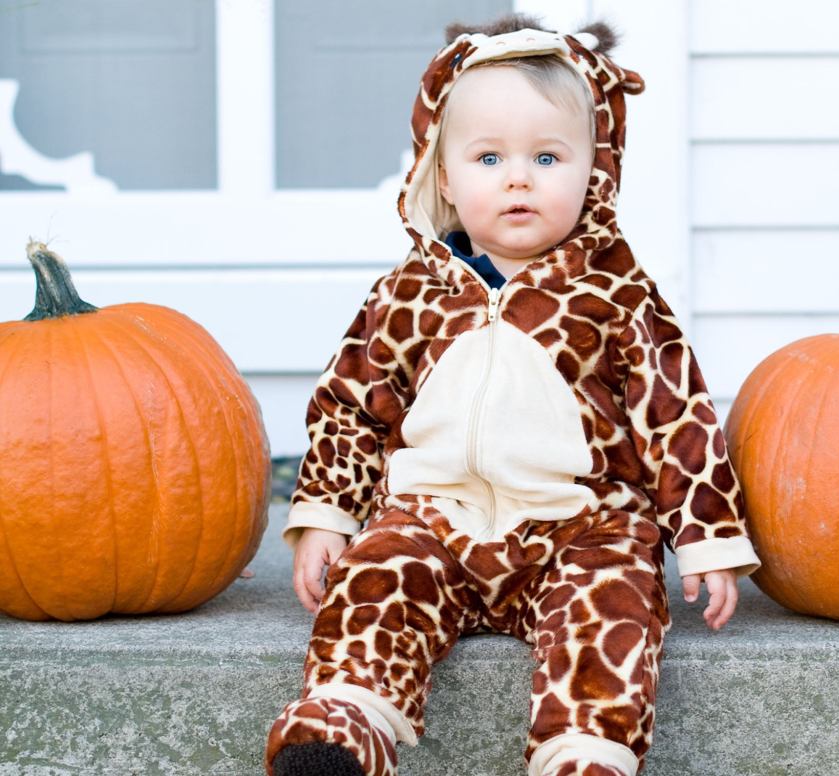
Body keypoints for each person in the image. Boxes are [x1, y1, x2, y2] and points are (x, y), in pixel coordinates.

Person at [265, 13, 761, 776]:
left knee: (614, 607)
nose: (518, 177)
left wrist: (706, 539)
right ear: (442, 174)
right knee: (377, 576)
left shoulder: (616, 296)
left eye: (547, 156)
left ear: (597, 171)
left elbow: (676, 416)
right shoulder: (409, 294)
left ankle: (583, 752)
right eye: (489, 156)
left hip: (579, 526)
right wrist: (327, 517)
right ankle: (344, 720)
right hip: (436, 517)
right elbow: (352, 404)